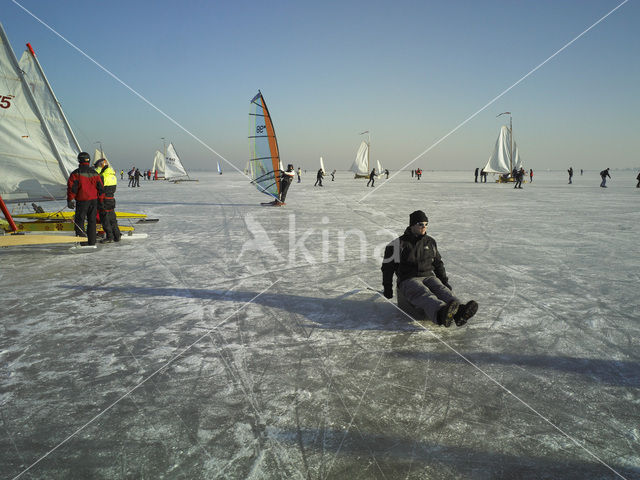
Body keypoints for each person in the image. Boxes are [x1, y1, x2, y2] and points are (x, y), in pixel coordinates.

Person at [381, 210, 478, 327]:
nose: (424, 227)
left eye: (426, 224)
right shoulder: (398, 244)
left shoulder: (430, 242)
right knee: (423, 293)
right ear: (412, 225)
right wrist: (387, 288)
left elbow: (438, 263)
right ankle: (441, 313)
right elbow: (387, 268)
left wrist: (444, 281)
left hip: (428, 276)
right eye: (420, 224)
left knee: (442, 290)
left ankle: (460, 313)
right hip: (408, 279)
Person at [67, 152, 104, 246]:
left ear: (79, 160)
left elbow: (72, 188)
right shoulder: (95, 173)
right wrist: (101, 200)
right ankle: (92, 242)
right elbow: (101, 188)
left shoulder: (76, 173)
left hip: (82, 201)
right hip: (93, 201)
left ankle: (83, 242)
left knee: (80, 221)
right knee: (92, 221)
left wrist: (70, 200)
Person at [93, 158, 121, 243]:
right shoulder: (113, 175)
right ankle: (117, 235)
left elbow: (98, 189)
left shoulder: (102, 176)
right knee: (112, 219)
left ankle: (109, 237)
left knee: (105, 219)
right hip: (111, 199)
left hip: (103, 200)